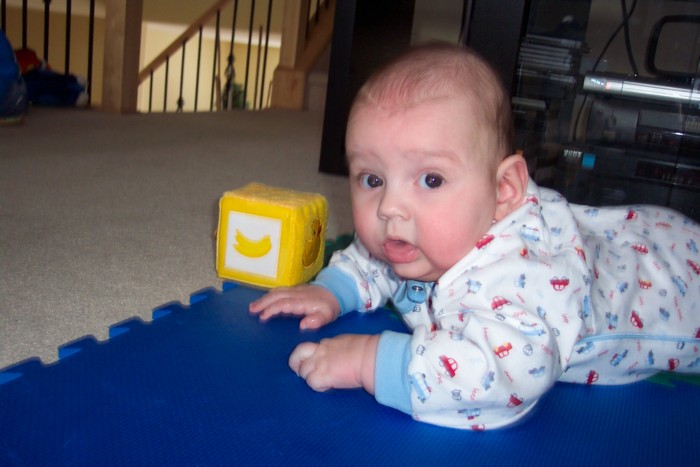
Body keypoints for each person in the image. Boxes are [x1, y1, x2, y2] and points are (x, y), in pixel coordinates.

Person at [249, 43, 700, 430]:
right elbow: (375, 259)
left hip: (676, 283)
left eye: (430, 180)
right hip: (626, 232)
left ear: (503, 191)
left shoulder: (518, 274)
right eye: (372, 179)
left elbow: (503, 376)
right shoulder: (422, 231)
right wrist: (333, 290)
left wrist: (370, 361)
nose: (389, 208)